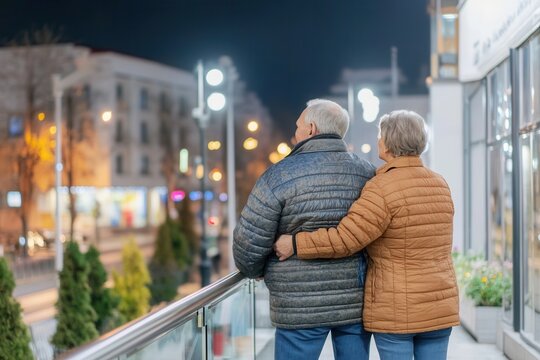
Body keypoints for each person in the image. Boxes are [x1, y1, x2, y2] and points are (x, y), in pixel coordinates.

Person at [275, 110, 460, 360]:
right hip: (439, 305)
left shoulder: (382, 187)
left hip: (397, 310)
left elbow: (345, 239)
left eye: (380, 135)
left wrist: (295, 243)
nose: (378, 141)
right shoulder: (439, 184)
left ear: (390, 142)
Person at [233, 99, 375, 360]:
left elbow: (248, 242)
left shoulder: (279, 175)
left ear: (310, 129)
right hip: (355, 301)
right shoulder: (367, 173)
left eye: (297, 127)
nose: (293, 134)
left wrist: (255, 270)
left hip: (298, 306)